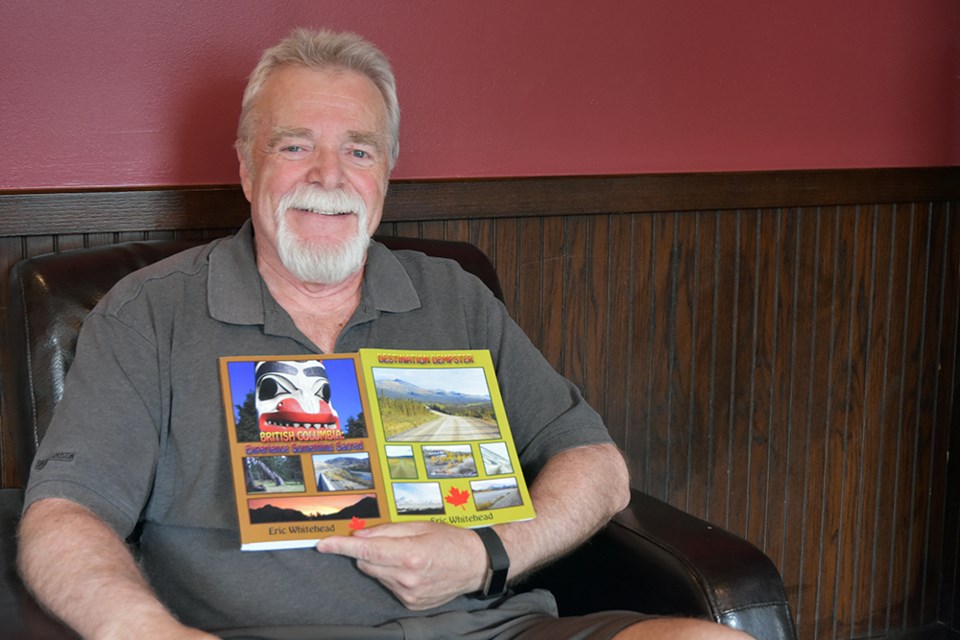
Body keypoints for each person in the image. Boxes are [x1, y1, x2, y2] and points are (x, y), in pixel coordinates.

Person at [17, 28, 751, 640]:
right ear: (245, 166)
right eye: (295, 146)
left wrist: (485, 553)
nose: (330, 177)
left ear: (387, 171)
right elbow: (62, 516)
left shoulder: (451, 299)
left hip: (492, 630)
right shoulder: (147, 314)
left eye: (359, 151)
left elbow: (596, 466)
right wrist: (149, 632)